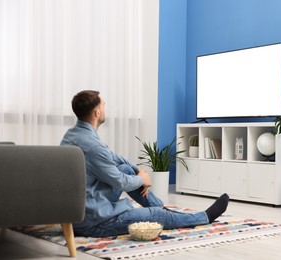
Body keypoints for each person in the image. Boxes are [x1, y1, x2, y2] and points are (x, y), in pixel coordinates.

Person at [61, 90, 229, 237]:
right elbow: (120, 182)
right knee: (155, 215)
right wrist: (142, 180)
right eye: (104, 105)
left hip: (79, 210)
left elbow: (113, 157)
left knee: (127, 169)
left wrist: (138, 171)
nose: (106, 109)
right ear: (97, 113)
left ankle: (165, 211)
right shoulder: (94, 146)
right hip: (94, 223)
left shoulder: (73, 135)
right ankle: (204, 217)